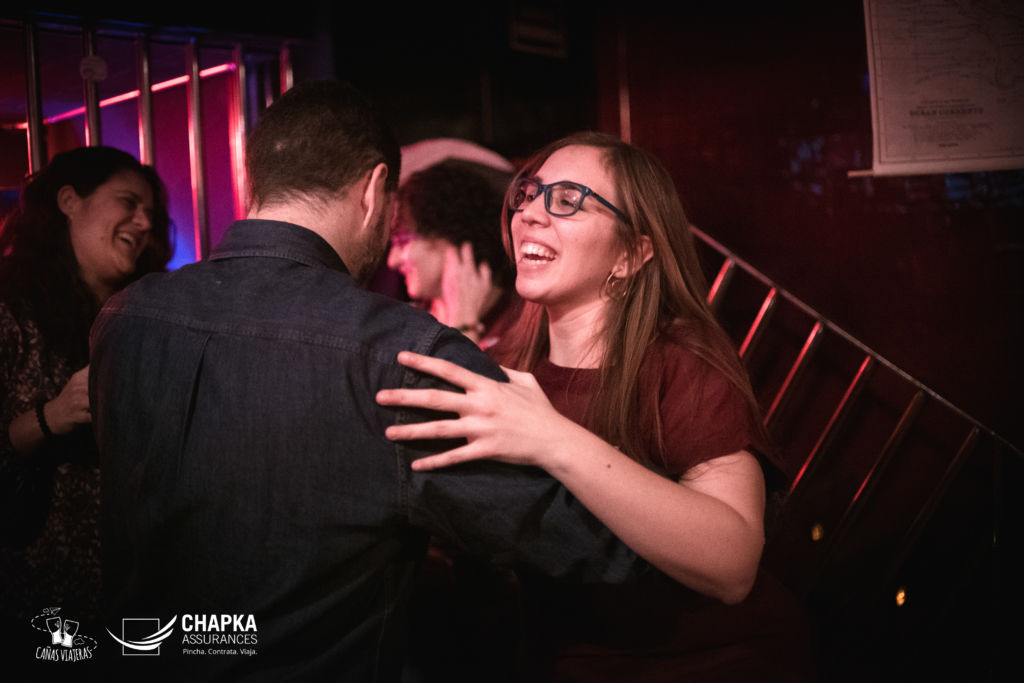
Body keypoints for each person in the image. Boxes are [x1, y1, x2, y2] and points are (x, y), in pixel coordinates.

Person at [89, 82, 642, 681]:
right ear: (376, 191)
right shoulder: (401, 352)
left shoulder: (124, 318)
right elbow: (584, 542)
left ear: (257, 182)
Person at [377, 131, 815, 681]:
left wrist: (552, 439)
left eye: (567, 200)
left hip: (711, 662)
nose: (531, 213)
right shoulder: (509, 362)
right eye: (530, 193)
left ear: (631, 254)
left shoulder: (679, 360)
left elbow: (732, 566)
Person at [0, 146, 171, 638]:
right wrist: (52, 416)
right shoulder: (12, 311)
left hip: (141, 593)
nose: (143, 223)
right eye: (127, 203)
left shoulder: (146, 316)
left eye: (150, 215)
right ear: (69, 200)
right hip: (36, 604)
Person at [387, 158, 520, 350]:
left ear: (450, 235)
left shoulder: (519, 324)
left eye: (403, 241)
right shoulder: (412, 320)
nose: (392, 260)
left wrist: (464, 327)